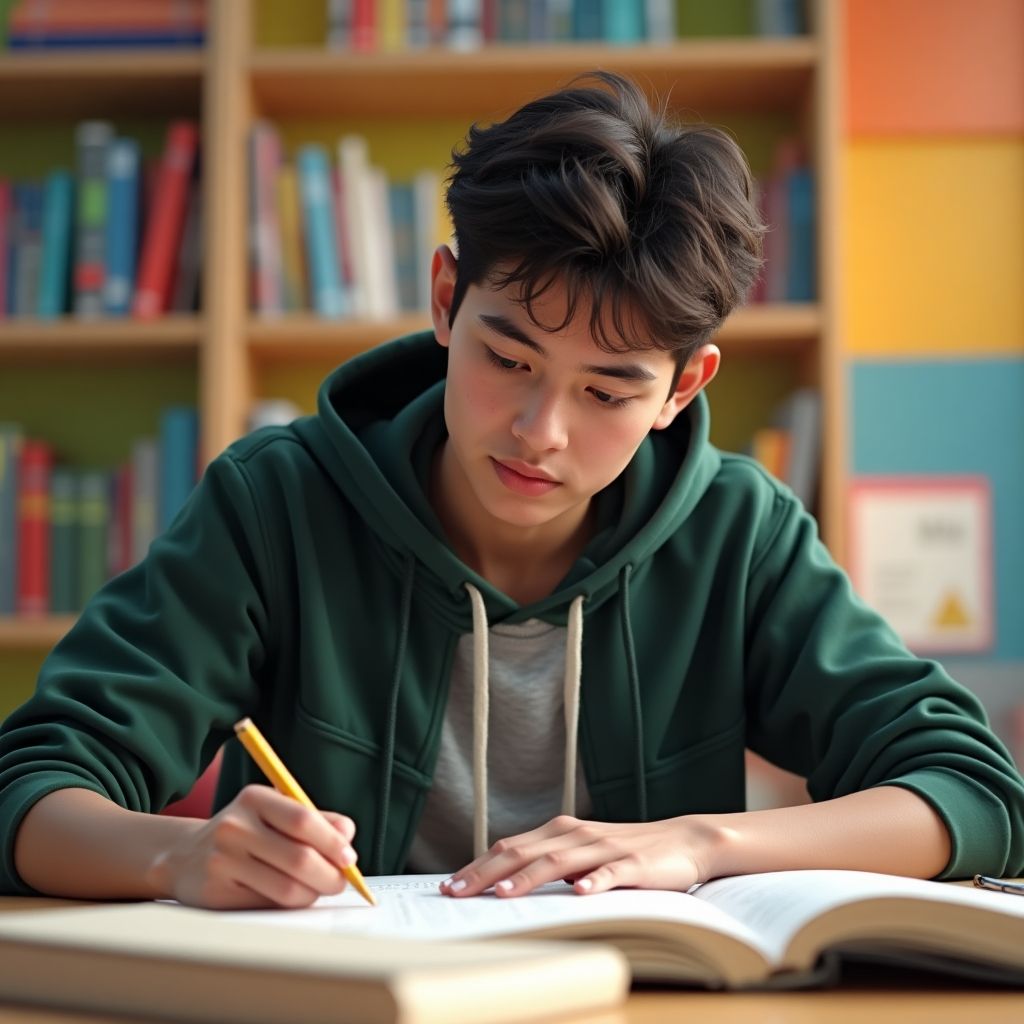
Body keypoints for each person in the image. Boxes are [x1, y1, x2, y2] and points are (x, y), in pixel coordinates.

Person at [1, 73, 1021, 910]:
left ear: (682, 387)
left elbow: (974, 791)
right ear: (446, 298)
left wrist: (701, 843)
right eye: (509, 357)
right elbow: (31, 784)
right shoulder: (278, 506)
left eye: (608, 389)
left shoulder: (736, 534)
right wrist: (172, 857)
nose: (541, 432)